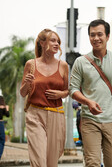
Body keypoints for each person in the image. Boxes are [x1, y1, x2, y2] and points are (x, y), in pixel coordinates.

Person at [69, 19, 112, 167]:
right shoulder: (80, 62)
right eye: (92, 35)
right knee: (92, 163)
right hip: (89, 119)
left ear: (107, 36)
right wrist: (88, 102)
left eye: (99, 34)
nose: (96, 38)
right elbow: (73, 89)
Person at [20, 29, 69, 167]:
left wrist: (61, 94)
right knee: (39, 161)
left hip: (56, 114)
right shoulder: (31, 64)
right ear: (42, 43)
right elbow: (23, 93)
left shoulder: (63, 66)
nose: (57, 44)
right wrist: (27, 83)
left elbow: (67, 90)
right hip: (35, 114)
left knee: (52, 162)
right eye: (53, 40)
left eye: (58, 41)